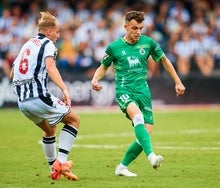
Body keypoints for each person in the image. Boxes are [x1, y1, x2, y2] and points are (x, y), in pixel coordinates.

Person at [91, 10, 185, 177]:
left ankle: (122, 167)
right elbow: (103, 66)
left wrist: (177, 81)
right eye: (134, 28)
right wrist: (95, 79)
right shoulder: (114, 47)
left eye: (141, 28)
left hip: (143, 92)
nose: (138, 32)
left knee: (144, 135)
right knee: (138, 118)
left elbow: (164, 60)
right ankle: (152, 157)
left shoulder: (148, 43)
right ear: (125, 27)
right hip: (124, 91)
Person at [10, 11, 80, 181]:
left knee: (50, 130)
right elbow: (51, 67)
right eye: (57, 31)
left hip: (23, 103)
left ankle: (53, 170)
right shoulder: (48, 44)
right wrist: (64, 89)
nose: (58, 35)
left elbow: (12, 73)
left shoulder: (26, 44)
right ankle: (61, 163)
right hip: (39, 97)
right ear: (48, 32)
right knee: (74, 120)